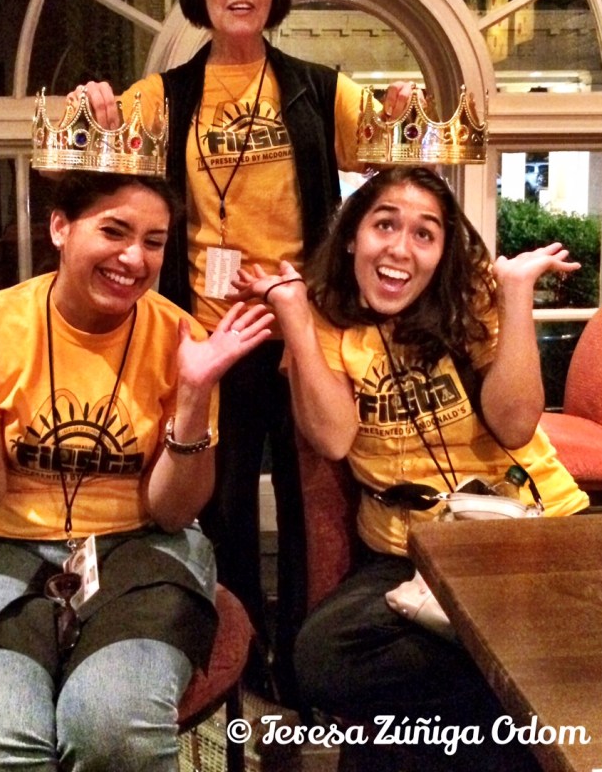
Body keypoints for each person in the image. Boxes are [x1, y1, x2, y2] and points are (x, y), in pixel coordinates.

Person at [70, 0, 413, 703]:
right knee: (218, 504)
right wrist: (101, 120)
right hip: (209, 334)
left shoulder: (317, 88)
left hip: (297, 328)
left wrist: (397, 112)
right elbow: (101, 180)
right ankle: (237, 647)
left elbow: (389, 152)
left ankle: (302, 655)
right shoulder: (164, 95)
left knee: (310, 504)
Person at [0, 170, 273, 772]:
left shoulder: (181, 338)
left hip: (146, 545)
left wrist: (194, 394)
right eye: (114, 232)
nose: (135, 258)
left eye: (154, 241)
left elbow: (174, 512)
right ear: (60, 228)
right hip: (10, 545)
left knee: (113, 731)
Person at [230, 165, 589, 771]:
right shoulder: (328, 317)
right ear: (353, 237)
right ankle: (524, 678)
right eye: (385, 225)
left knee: (395, 745)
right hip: (406, 551)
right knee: (321, 658)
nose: (400, 248)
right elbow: (333, 438)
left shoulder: (474, 300)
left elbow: (516, 424)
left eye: (425, 233)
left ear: (443, 252)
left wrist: (515, 295)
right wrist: (293, 314)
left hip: (525, 530)